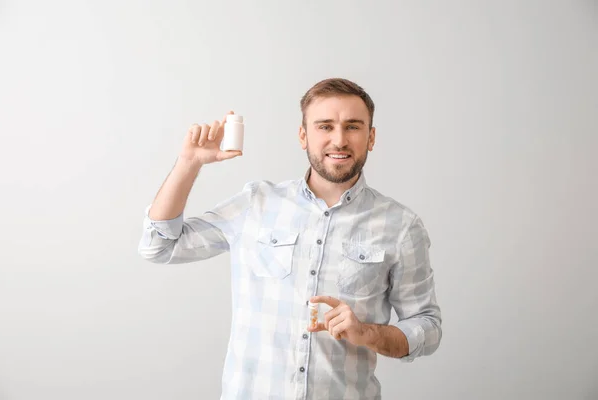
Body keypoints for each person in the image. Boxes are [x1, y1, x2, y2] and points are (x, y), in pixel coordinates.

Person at [138, 78, 442, 399]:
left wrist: (367, 333)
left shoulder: (401, 225)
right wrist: (189, 163)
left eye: (353, 127)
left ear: (371, 137)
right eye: (325, 126)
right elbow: (159, 245)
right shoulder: (256, 203)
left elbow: (428, 327)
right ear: (302, 136)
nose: (339, 140)